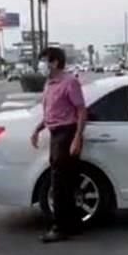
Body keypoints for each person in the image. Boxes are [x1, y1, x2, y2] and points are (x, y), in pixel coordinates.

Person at [31, 47, 87, 243]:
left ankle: (59, 227)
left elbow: (81, 110)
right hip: (55, 133)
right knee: (66, 182)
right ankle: (73, 225)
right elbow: (51, 113)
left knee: (60, 183)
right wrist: (38, 129)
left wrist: (77, 137)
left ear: (55, 62)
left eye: (44, 61)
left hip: (66, 134)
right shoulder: (50, 84)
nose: (41, 65)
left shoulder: (69, 82)